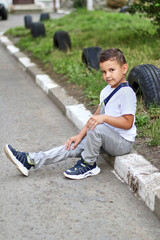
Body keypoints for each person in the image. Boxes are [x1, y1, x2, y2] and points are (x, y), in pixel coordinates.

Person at [4, 48, 137, 180]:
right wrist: (80, 136)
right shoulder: (106, 91)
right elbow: (95, 118)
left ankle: (89, 164)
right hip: (104, 137)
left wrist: (105, 118)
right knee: (72, 146)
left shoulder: (126, 93)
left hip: (121, 143)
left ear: (124, 68)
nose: (107, 75)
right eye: (104, 71)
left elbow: (127, 123)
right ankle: (30, 160)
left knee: (97, 126)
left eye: (111, 70)